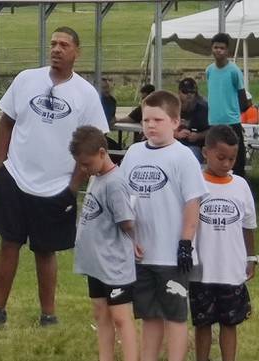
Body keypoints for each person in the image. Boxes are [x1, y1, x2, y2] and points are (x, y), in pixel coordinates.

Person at [0, 26, 109, 329]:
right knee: (9, 243)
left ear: (77, 52)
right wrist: (3, 164)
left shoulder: (85, 94)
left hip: (56, 186)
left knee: (45, 250)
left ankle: (48, 315)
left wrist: (72, 187)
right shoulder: (26, 80)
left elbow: (91, 143)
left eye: (64, 45)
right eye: (53, 44)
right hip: (16, 177)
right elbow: (7, 122)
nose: (56, 50)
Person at [119, 90, 208, 361]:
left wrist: (185, 243)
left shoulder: (182, 157)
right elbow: (124, 199)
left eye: (158, 120)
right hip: (142, 252)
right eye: (146, 120)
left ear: (175, 121)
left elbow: (193, 203)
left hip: (171, 254)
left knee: (175, 314)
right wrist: (129, 239)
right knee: (149, 313)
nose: (150, 126)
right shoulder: (133, 153)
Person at [69, 126, 140, 361]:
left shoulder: (114, 183)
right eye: (80, 164)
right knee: (101, 314)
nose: (83, 169)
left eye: (86, 164)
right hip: (96, 264)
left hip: (114, 266)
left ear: (102, 152)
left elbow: (127, 221)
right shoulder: (97, 176)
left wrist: (136, 241)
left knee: (121, 317)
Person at [190, 125, 256, 361]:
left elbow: (249, 225)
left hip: (231, 269)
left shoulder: (240, 186)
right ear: (205, 152)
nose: (227, 163)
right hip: (201, 270)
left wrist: (251, 258)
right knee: (203, 322)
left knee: (230, 323)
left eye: (232, 158)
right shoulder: (194, 183)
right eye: (221, 157)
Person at [206, 32, 251, 177]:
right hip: (213, 122)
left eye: (222, 48)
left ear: (227, 51)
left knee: (236, 161)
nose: (218, 50)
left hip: (231, 122)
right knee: (214, 158)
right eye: (216, 47)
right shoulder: (209, 70)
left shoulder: (234, 71)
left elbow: (242, 98)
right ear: (212, 49)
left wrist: (236, 112)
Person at [176, 78, 209, 163]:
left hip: (195, 146)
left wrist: (198, 136)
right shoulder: (172, 106)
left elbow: (213, 130)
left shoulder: (203, 108)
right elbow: (162, 127)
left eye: (192, 92)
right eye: (185, 92)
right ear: (179, 92)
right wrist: (176, 134)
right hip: (174, 144)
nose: (189, 95)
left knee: (191, 156)